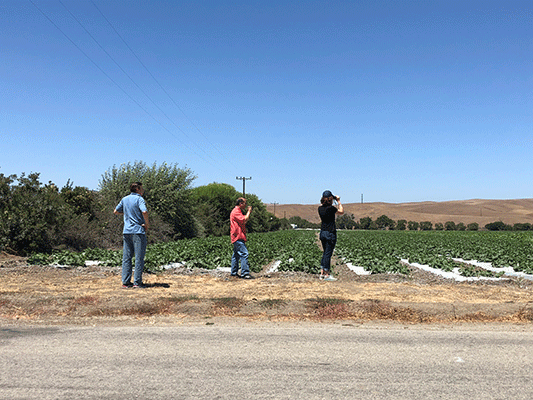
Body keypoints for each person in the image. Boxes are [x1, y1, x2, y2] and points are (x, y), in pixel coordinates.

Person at [114, 182, 150, 288]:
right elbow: (144, 211)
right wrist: (147, 224)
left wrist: (127, 213)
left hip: (126, 231)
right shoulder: (139, 199)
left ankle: (125, 282)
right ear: (138, 189)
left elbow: (116, 211)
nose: (143, 190)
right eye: (141, 188)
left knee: (127, 257)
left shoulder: (124, 199)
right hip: (138, 231)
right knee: (139, 257)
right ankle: (137, 282)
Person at [318, 190, 343, 281]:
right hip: (330, 233)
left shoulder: (320, 209)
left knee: (325, 253)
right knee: (328, 254)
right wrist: (339, 201)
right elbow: (341, 211)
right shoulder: (331, 209)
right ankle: (327, 274)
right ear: (330, 199)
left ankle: (322, 273)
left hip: (323, 232)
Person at [230, 197, 254, 279]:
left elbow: (244, 221)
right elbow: (244, 219)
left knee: (236, 255)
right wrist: (249, 211)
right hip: (238, 236)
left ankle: (233, 273)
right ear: (240, 203)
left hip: (238, 236)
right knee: (244, 254)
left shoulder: (238, 211)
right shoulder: (236, 211)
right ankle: (245, 273)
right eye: (245, 203)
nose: (246, 205)